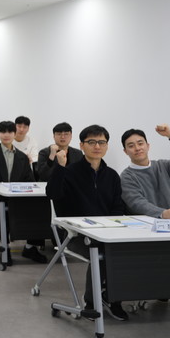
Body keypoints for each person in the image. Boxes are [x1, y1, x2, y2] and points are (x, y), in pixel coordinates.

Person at [46, 124, 128, 321]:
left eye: (101, 142)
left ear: (107, 146)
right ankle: (92, 301)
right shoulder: (70, 171)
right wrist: (59, 167)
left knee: (123, 250)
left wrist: (114, 227)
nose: (97, 146)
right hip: (76, 235)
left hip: (107, 232)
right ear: (82, 145)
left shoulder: (112, 176)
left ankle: (112, 297)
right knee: (101, 252)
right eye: (91, 142)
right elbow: (52, 193)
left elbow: (118, 207)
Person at [0, 120, 45, 263]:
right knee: (4, 207)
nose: (6, 135)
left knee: (38, 206)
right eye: (3, 132)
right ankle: (5, 248)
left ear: (15, 134)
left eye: (10, 132)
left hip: (18, 196)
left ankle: (30, 247)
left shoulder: (22, 156)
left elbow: (29, 180)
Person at [120, 124, 170, 218]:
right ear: (125, 151)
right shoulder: (126, 176)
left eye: (140, 143)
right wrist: (163, 213)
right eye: (131, 146)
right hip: (144, 224)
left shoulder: (163, 166)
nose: (137, 148)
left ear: (148, 146)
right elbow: (137, 203)